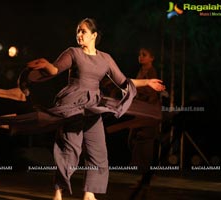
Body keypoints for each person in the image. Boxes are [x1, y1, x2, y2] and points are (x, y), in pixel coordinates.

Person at [27, 18, 165, 200]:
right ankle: (58, 191)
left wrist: (147, 82)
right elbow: (55, 69)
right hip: (73, 105)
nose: (79, 34)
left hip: (93, 107)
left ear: (94, 35)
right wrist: (47, 66)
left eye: (83, 31)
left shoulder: (105, 58)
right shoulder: (73, 52)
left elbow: (123, 81)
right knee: (69, 149)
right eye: (78, 31)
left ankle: (89, 193)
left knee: (98, 151)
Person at [127, 46, 162, 194]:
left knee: (145, 144)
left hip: (148, 113)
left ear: (151, 58)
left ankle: (146, 180)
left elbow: (151, 93)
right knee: (134, 142)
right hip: (140, 111)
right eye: (139, 54)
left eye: (144, 54)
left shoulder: (152, 72)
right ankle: (144, 178)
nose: (140, 57)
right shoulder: (141, 72)